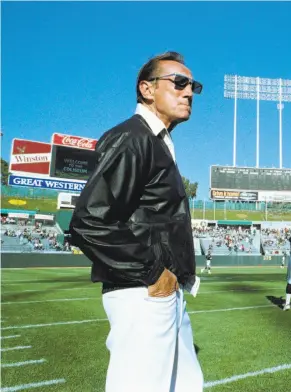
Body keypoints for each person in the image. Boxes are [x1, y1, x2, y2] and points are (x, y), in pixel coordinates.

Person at [68, 51, 204, 392]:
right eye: (179, 82)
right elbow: (88, 221)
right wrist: (154, 274)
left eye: (193, 86)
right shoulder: (133, 137)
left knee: (187, 386)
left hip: (161, 290)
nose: (189, 92)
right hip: (143, 291)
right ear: (147, 89)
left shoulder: (157, 141)